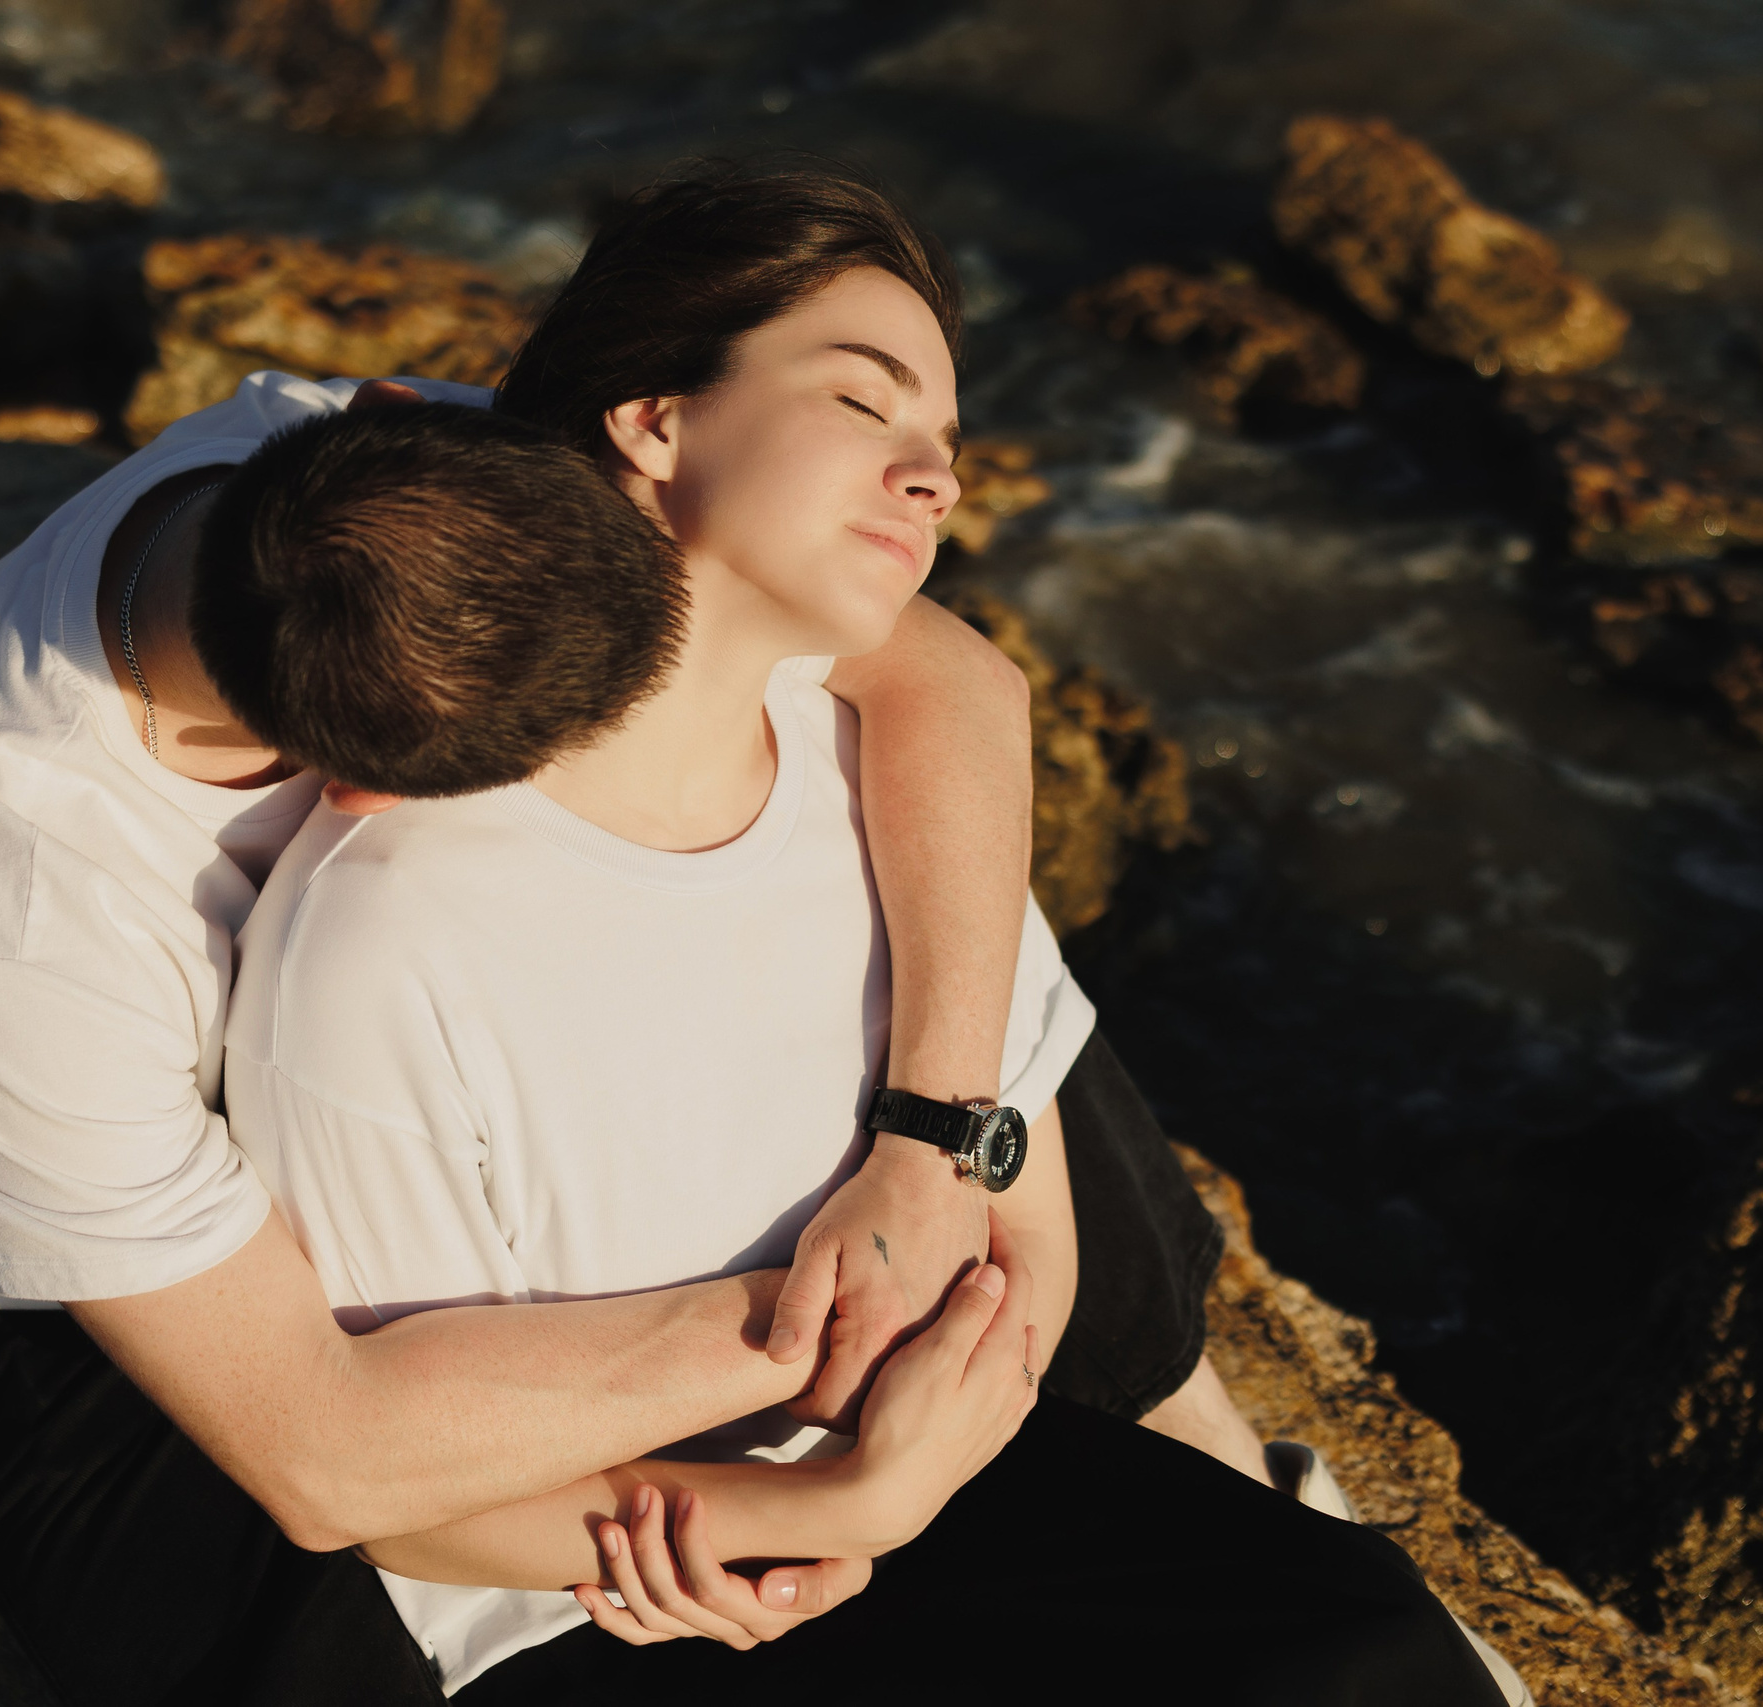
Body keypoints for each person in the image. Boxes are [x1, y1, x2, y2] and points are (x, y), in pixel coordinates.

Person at [0, 186, 1273, 1707]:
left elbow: (936, 677)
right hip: (58, 1288)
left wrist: (932, 1142)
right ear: (363, 794)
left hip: (395, 1045)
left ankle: (1194, 1438)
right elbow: (322, 1449)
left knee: (954, 954)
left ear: (412, 407)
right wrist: (828, 1461)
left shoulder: (386, 475)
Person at [214, 174, 1511, 1702]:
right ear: (656, 420)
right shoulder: (392, 932)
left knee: (1363, 1643)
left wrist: (951, 1361)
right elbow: (411, 1500)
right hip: (621, 1601)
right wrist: (834, 1505)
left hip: (958, 1480)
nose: (934, 478)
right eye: (864, 403)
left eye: (947, 444)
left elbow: (1011, 1198)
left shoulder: (880, 784)